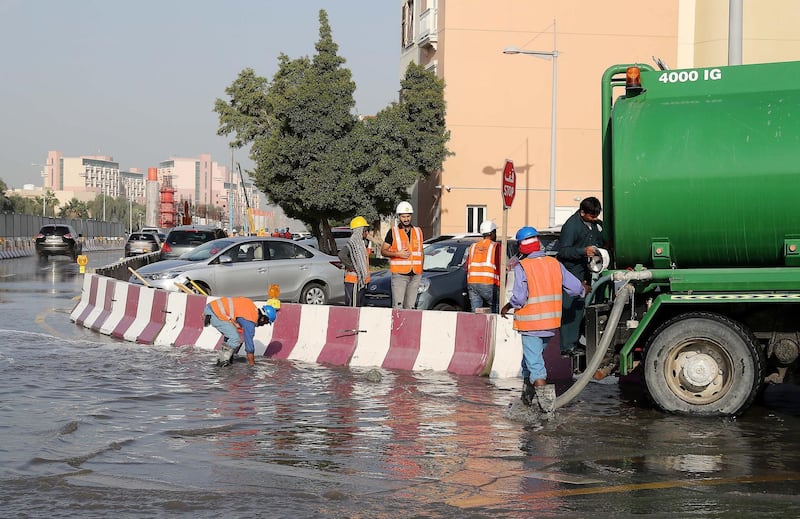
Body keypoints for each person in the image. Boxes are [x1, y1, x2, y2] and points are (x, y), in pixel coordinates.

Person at [501, 226, 587, 413]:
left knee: (536, 366)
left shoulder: (523, 267)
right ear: (539, 243)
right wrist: (584, 289)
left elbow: (519, 298)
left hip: (531, 324)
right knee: (529, 362)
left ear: (521, 247)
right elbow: (574, 288)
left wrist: (508, 306)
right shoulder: (554, 263)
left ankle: (547, 411)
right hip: (550, 325)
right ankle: (526, 401)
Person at [556, 196, 604, 355]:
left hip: (586, 271)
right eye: (592, 216)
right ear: (582, 212)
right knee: (571, 308)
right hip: (572, 272)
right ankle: (567, 346)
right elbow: (563, 251)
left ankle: (575, 342)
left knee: (580, 307)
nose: (595, 218)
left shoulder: (596, 225)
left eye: (597, 215)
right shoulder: (571, 226)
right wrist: (583, 251)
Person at [204, 297, 277, 367]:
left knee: (232, 335)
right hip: (215, 313)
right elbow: (249, 347)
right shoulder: (250, 321)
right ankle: (221, 364)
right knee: (235, 339)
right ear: (263, 319)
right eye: (266, 323)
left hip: (212, 308)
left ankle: (227, 360)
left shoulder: (250, 306)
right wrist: (252, 366)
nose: (263, 325)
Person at [381, 201, 424, 309]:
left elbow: (421, 251)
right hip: (400, 274)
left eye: (408, 216)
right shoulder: (393, 232)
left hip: (415, 274)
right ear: (399, 217)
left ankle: (409, 326)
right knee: (398, 306)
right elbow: (383, 251)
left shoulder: (418, 231)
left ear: (411, 216)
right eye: (403, 216)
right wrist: (397, 254)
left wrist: (421, 269)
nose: (406, 219)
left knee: (410, 306)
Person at [465, 220, 501, 313]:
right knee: (495, 309)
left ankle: (476, 327)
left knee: (476, 312)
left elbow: (467, 266)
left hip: (472, 283)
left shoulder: (473, 246)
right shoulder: (495, 246)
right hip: (489, 283)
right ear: (492, 233)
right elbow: (500, 265)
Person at [338, 216, 371, 307]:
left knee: (359, 308)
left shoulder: (361, 244)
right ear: (360, 231)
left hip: (361, 281)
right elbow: (341, 255)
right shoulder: (352, 244)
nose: (367, 233)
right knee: (353, 308)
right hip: (353, 281)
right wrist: (353, 267)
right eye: (365, 231)